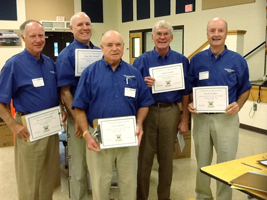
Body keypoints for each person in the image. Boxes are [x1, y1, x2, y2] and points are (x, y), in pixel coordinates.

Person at [72, 30, 154, 200]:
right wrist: (87, 134)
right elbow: (78, 107)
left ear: (124, 47)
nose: (114, 48)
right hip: (98, 137)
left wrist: (139, 124)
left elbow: (144, 103)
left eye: (118, 44)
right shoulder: (90, 72)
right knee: (100, 184)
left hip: (129, 136)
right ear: (102, 48)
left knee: (129, 183)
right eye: (109, 45)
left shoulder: (133, 73)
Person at [188, 17, 251, 200]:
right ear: (207, 34)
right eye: (212, 31)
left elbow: (246, 89)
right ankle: (203, 196)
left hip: (226, 119)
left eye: (220, 31)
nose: (216, 34)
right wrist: (191, 102)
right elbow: (190, 88)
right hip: (201, 119)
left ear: (225, 34)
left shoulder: (237, 60)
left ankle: (224, 198)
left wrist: (238, 104)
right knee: (202, 163)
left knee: (226, 164)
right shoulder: (197, 60)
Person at [0, 20, 64, 200]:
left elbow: (55, 93)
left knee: (47, 176)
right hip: (28, 127)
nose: (38, 39)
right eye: (33, 36)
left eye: (41, 35)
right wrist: (13, 126)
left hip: (50, 127)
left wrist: (61, 108)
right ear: (23, 38)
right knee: (29, 179)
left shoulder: (50, 63)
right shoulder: (14, 64)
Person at [133, 20, 191, 200]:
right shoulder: (142, 60)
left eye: (166, 34)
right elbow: (132, 88)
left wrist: (184, 119)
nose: (162, 37)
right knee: (144, 159)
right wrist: (143, 83)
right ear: (152, 37)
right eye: (159, 34)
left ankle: (164, 197)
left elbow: (186, 92)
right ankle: (142, 196)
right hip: (148, 111)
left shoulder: (181, 60)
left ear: (172, 37)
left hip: (170, 112)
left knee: (167, 159)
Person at [56, 12, 100, 199]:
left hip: (99, 117)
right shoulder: (66, 56)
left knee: (99, 164)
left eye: (88, 24)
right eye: (80, 24)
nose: (85, 28)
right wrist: (80, 122)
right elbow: (65, 92)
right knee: (79, 168)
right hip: (78, 120)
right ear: (71, 29)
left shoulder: (99, 52)